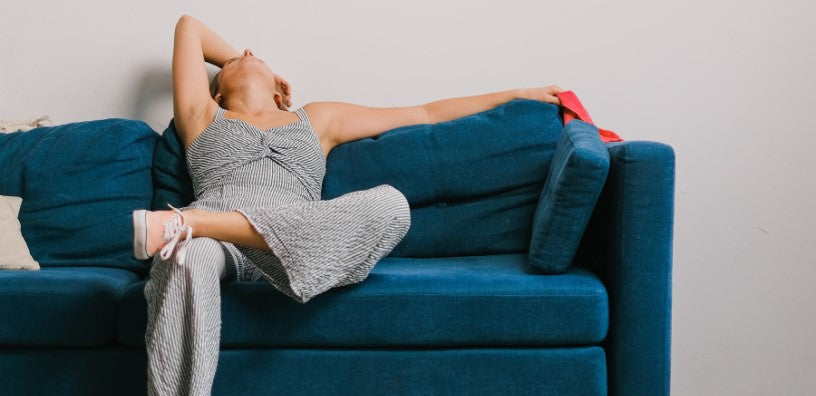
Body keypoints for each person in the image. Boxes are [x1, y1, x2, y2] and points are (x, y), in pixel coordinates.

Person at [133, 14, 564, 396]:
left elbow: (426, 114)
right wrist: (247, 57)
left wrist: (517, 93)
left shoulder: (316, 119)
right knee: (185, 256)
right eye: (232, 61)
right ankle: (198, 229)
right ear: (219, 93)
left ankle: (196, 222)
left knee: (392, 206)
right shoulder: (202, 114)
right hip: (216, 247)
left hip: (296, 241)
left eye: (256, 56)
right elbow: (189, 26)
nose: (246, 54)